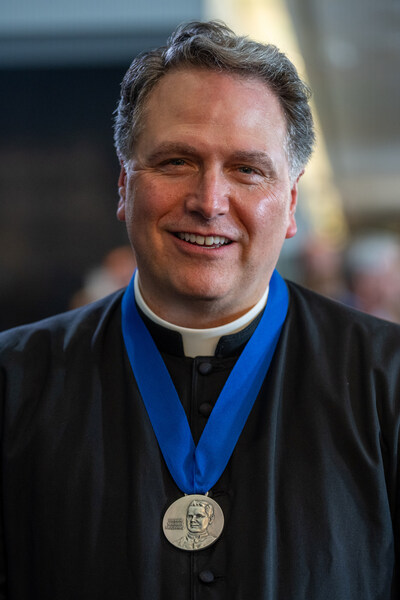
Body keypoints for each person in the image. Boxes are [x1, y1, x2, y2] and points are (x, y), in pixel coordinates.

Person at [0, 20, 399, 600]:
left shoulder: (387, 379)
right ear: (123, 187)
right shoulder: (13, 381)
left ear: (289, 205)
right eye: (176, 162)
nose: (209, 202)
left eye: (247, 169)